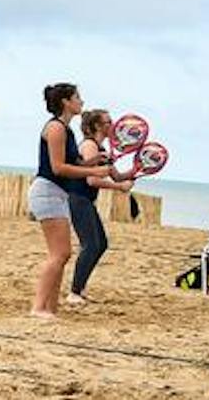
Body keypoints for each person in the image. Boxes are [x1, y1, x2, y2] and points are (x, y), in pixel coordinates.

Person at [28, 83, 111, 319]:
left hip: (57, 193)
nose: (81, 102)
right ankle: (38, 307)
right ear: (65, 102)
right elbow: (58, 168)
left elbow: (75, 163)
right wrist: (94, 172)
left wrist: (95, 162)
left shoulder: (68, 131)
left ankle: (50, 308)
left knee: (63, 254)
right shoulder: (55, 128)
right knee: (59, 253)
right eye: (77, 97)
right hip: (47, 190)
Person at [68, 108, 140, 305]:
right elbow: (92, 180)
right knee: (91, 245)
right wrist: (119, 187)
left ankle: (79, 288)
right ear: (98, 126)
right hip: (78, 199)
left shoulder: (102, 150)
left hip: (85, 201)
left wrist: (136, 170)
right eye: (109, 122)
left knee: (101, 244)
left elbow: (117, 175)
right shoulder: (90, 146)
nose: (114, 125)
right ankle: (74, 292)